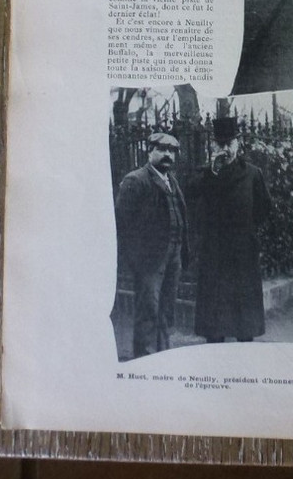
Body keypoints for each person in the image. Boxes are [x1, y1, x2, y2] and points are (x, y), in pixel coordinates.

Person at [192, 116, 272, 343]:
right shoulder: (205, 173)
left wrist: (246, 229)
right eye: (221, 144)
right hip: (214, 253)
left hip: (242, 251)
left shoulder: (252, 173)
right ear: (213, 146)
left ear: (238, 143)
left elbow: (264, 208)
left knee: (244, 321)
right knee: (214, 324)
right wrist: (212, 172)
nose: (226, 149)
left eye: (230, 143)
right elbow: (191, 194)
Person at [114, 132, 189, 359]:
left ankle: (163, 355)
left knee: (166, 309)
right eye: (162, 149)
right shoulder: (135, 180)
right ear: (150, 151)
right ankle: (145, 359)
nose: (167, 154)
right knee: (148, 310)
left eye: (171, 150)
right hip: (149, 260)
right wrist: (136, 260)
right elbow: (122, 225)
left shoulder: (171, 180)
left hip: (173, 255)